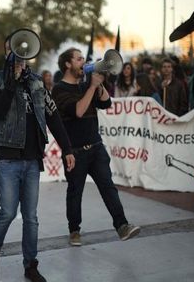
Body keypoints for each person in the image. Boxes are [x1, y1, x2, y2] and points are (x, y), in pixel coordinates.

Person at [0, 31, 75, 282]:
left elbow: (53, 116)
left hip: (33, 160)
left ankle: (31, 265)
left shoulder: (37, 83)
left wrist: (68, 148)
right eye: (12, 52)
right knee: (8, 212)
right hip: (8, 159)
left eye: (23, 54)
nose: (19, 58)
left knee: (31, 217)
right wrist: (11, 81)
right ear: (6, 54)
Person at [51, 48, 140, 247]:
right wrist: (91, 87)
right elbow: (78, 111)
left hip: (96, 147)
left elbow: (106, 103)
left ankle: (122, 225)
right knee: (75, 192)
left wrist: (98, 85)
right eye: (79, 59)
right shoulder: (59, 90)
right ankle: (74, 230)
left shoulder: (87, 85)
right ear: (67, 64)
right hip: (75, 151)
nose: (84, 61)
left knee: (108, 187)